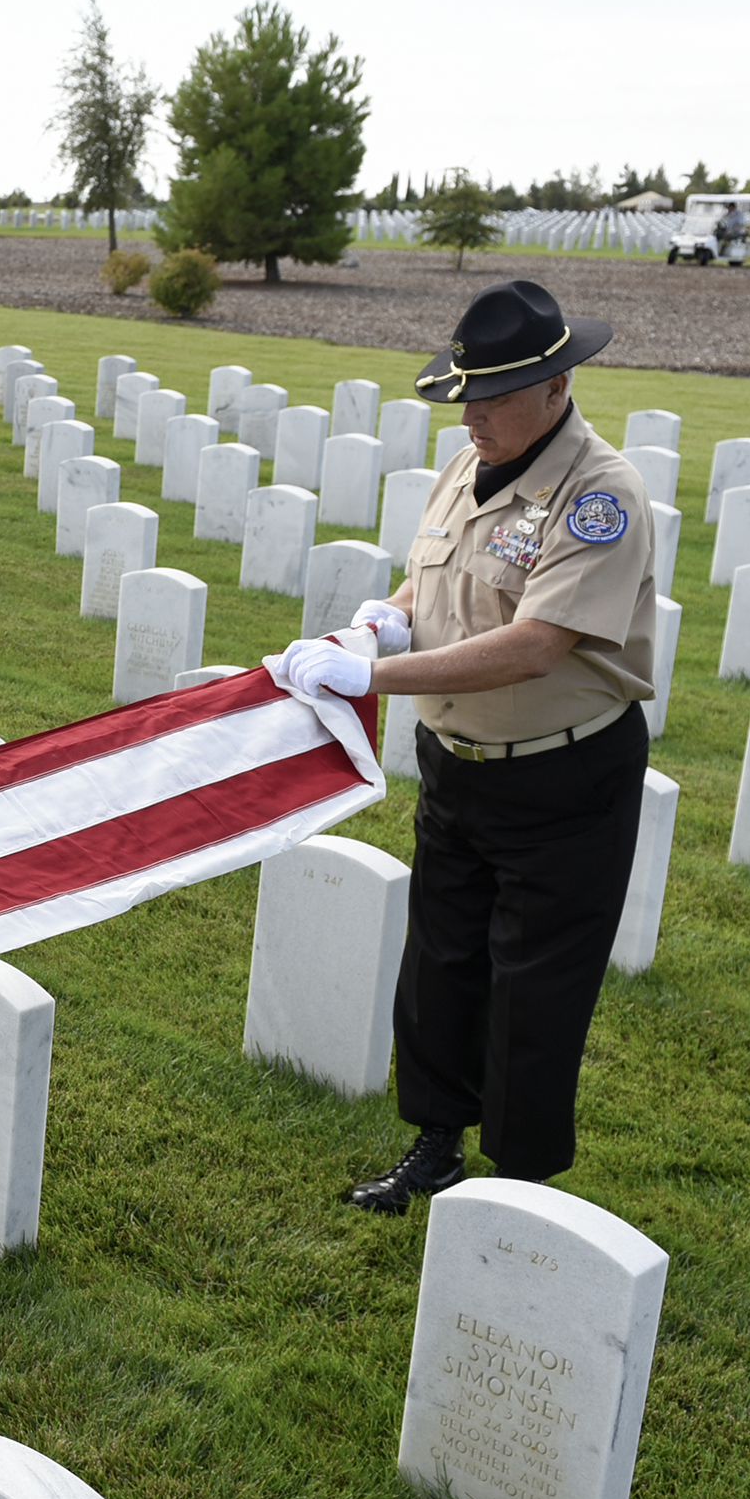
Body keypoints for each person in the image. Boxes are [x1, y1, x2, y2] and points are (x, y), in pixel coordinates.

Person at [270, 281, 657, 1215]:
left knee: (536, 983)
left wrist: (373, 681)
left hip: (563, 773)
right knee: (441, 960)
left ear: (557, 387)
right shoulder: (466, 464)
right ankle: (436, 1142)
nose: (472, 414)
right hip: (457, 762)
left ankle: (517, 1186)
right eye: (464, 395)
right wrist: (383, 625)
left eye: (492, 397)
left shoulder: (599, 495)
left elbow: (537, 642)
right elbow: (432, 588)